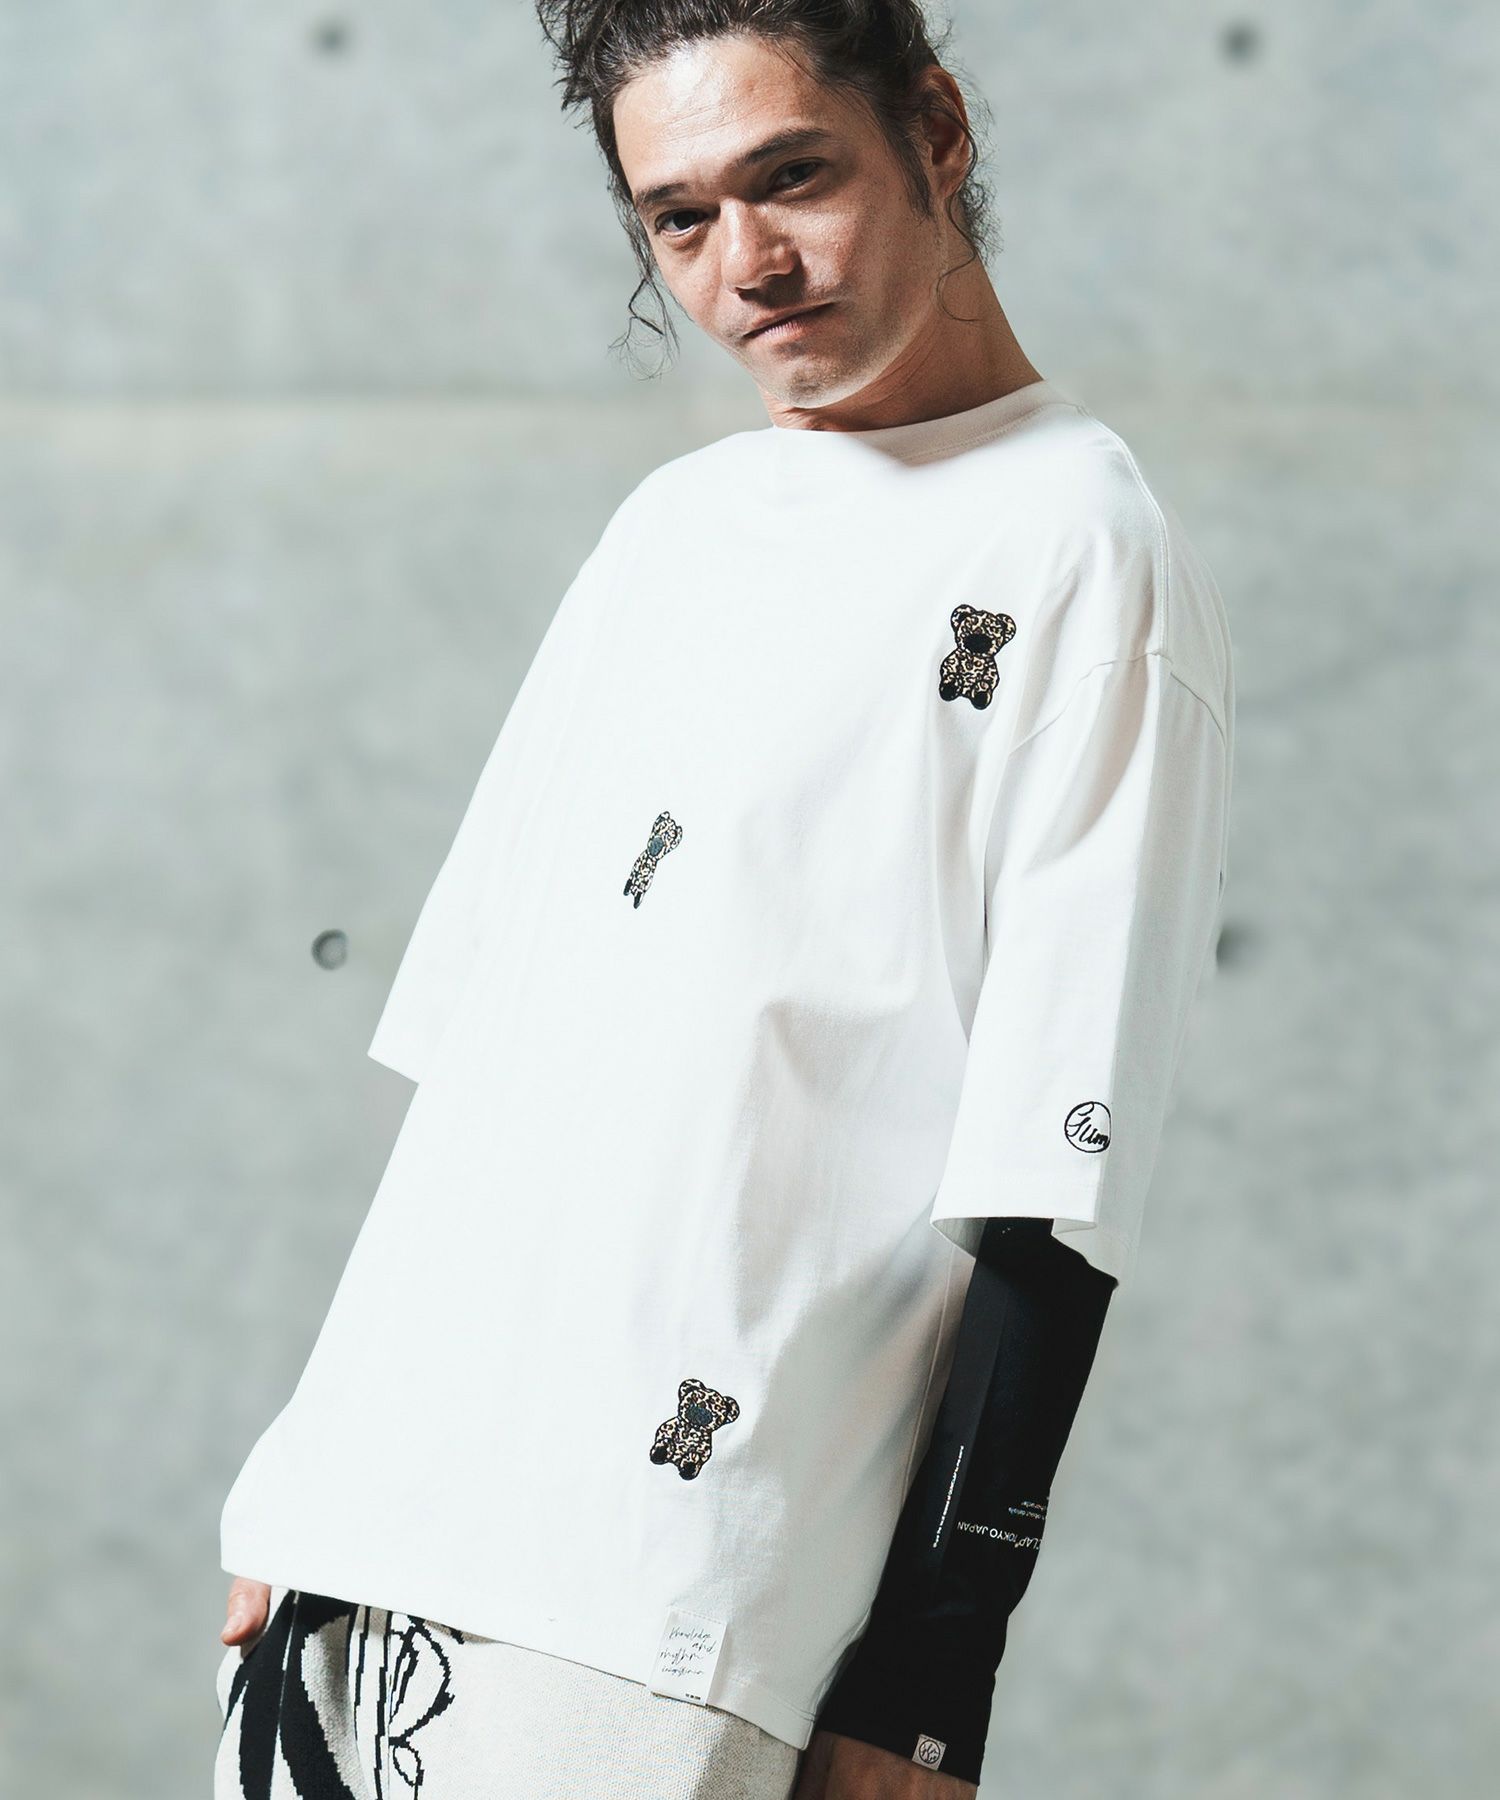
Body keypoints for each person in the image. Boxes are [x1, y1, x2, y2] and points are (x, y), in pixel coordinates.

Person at [214, 4, 1235, 1796]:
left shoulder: (1080, 546)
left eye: (793, 178)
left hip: (661, 1600)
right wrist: (321, 1463)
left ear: (934, 133)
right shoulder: (668, 532)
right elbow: (482, 1075)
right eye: (679, 217)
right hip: (360, 1538)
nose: (745, 264)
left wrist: (933, 1680)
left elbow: (1052, 1196)